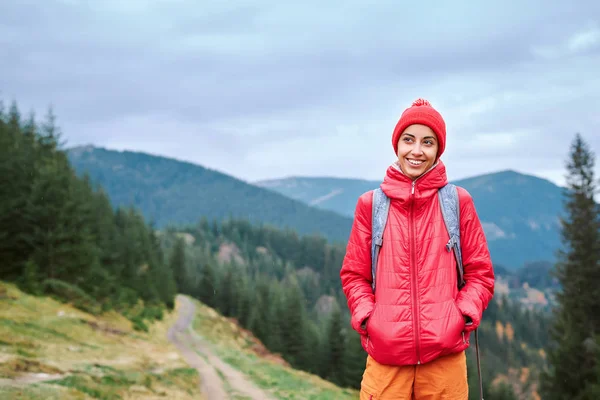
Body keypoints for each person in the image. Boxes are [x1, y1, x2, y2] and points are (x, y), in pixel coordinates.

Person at [340, 98, 495, 399]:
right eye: (409, 140)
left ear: (438, 149)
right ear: (397, 144)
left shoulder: (457, 202)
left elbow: (480, 274)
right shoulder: (371, 205)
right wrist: (369, 319)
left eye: (428, 142)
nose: (417, 151)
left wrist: (461, 315)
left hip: (444, 360)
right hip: (386, 360)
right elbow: (354, 275)